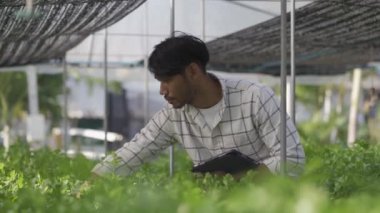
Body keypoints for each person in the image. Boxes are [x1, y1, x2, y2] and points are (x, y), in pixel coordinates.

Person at [92, 34, 305, 178]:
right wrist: (82, 189)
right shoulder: (173, 115)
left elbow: (293, 161)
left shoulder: (255, 98)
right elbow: (132, 154)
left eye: (167, 80)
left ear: (192, 71)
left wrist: (241, 177)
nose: (162, 91)